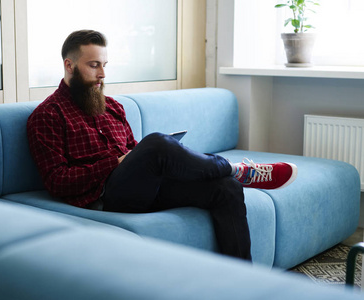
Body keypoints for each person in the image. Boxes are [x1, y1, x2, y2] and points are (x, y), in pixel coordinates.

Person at [27, 30, 297, 261]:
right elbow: (57, 181)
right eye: (94, 65)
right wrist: (116, 162)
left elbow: (133, 150)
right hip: (103, 197)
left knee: (226, 187)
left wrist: (135, 157)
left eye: (105, 65)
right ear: (69, 65)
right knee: (156, 143)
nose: (103, 74)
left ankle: (242, 283)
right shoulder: (48, 115)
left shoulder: (112, 107)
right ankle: (234, 168)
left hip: (143, 188)